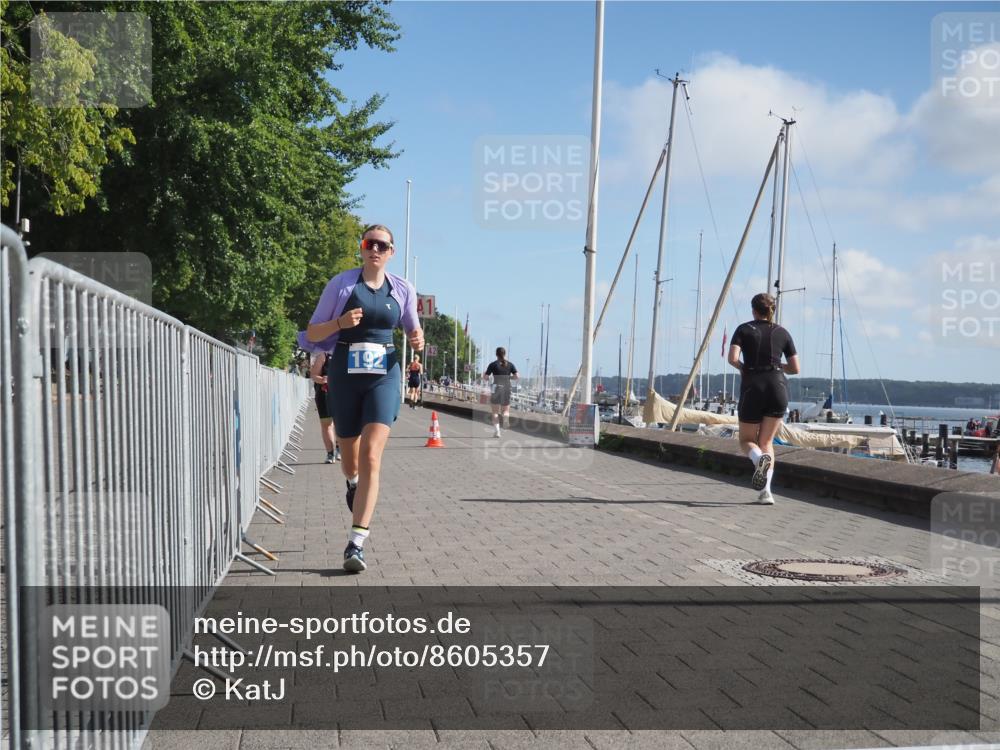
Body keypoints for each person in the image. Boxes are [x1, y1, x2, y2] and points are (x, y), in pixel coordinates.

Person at [300, 224, 423, 573]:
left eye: (382, 245)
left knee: (371, 454)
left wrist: (417, 338)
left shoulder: (402, 289)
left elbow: (413, 328)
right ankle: (352, 484)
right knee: (351, 460)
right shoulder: (341, 285)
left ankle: (356, 543)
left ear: (391, 252)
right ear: (362, 247)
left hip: (385, 374)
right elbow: (313, 332)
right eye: (370, 243)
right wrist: (340, 322)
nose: (375, 250)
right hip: (345, 375)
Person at [727, 293, 800, 505]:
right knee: (767, 441)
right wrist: (777, 365)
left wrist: (744, 368)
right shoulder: (783, 332)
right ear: (772, 310)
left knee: (746, 440)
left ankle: (758, 459)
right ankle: (766, 493)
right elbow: (795, 368)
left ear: (753, 310)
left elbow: (732, 358)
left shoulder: (743, 329)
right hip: (778, 386)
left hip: (753, 386)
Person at [309, 351, 340, 463]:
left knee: (341, 423)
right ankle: (330, 454)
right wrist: (322, 380)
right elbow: (313, 375)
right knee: (327, 424)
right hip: (324, 394)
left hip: (342, 393)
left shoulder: (348, 352)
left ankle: (340, 449)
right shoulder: (323, 355)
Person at [483, 347, 518, 438]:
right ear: (505, 354)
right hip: (507, 388)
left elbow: (486, 377)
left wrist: (486, 376)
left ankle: (497, 432)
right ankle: (505, 418)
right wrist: (509, 377)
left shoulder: (492, 364)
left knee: (495, 412)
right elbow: (517, 376)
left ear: (496, 354)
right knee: (505, 410)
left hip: (496, 388)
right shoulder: (510, 365)